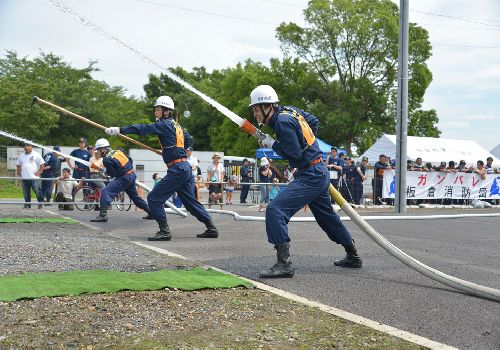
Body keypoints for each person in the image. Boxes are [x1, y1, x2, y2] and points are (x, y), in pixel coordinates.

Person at [248, 84, 362, 278]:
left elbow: (291, 152)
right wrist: (305, 144)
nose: (255, 115)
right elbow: (313, 122)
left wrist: (271, 143)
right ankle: (352, 255)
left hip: (311, 174)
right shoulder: (290, 111)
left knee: (275, 209)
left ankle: (284, 264)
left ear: (268, 107)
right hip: (316, 170)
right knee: (326, 216)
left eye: (257, 110)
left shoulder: (282, 122)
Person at [105, 95, 218, 240]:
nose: (155, 111)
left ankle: (164, 231)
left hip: (177, 169)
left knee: (153, 198)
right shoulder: (177, 126)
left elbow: (143, 129)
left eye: (158, 109)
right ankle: (211, 228)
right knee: (190, 203)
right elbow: (189, 138)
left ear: (166, 111)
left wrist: (119, 129)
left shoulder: (164, 124)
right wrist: (176, 149)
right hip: (184, 167)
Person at [89, 138, 153, 223]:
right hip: (131, 175)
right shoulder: (118, 152)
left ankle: (102, 215)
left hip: (124, 178)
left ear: (103, 149)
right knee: (135, 197)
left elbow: (114, 174)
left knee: (105, 191)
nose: (97, 152)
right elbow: (129, 160)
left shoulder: (106, 159)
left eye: (98, 150)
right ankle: (151, 213)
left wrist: (105, 172)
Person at [16, 143, 45, 209]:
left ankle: (40, 203)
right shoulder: (21, 156)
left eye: (27, 146)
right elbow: (18, 164)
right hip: (25, 178)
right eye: (25, 146)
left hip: (34, 178)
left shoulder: (36, 154)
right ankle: (28, 204)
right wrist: (19, 171)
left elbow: (42, 164)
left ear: (31, 147)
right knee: (26, 192)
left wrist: (40, 171)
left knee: (37, 191)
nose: (26, 148)